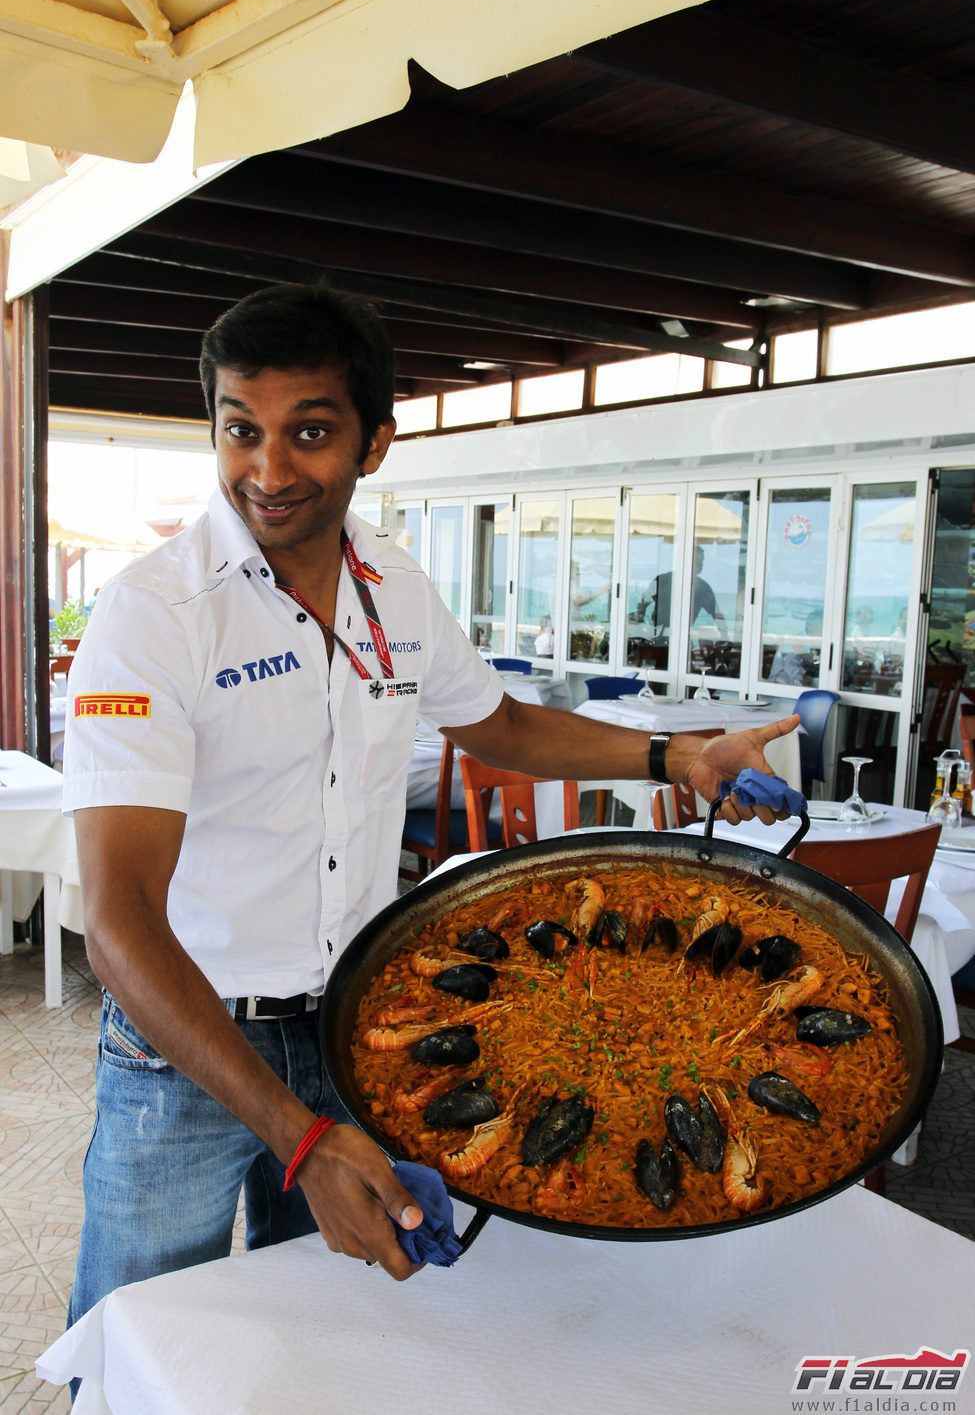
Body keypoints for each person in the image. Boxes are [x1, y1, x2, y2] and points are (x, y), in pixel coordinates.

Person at [62, 281, 799, 1334]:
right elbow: (121, 914)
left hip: (351, 1028)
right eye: (241, 430)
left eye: (309, 432)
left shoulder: (392, 588)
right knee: (138, 1326)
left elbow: (495, 724)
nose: (267, 470)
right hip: (183, 1044)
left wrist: (671, 753)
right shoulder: (154, 614)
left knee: (313, 1324)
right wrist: (300, 1138)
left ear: (375, 444)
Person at [642, 546, 727, 639]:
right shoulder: (661, 580)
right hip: (659, 636)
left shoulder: (703, 588)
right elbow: (643, 605)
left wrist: (725, 638)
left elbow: (717, 615)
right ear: (687, 561)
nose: (701, 565)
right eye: (698, 562)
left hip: (682, 638)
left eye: (701, 562)